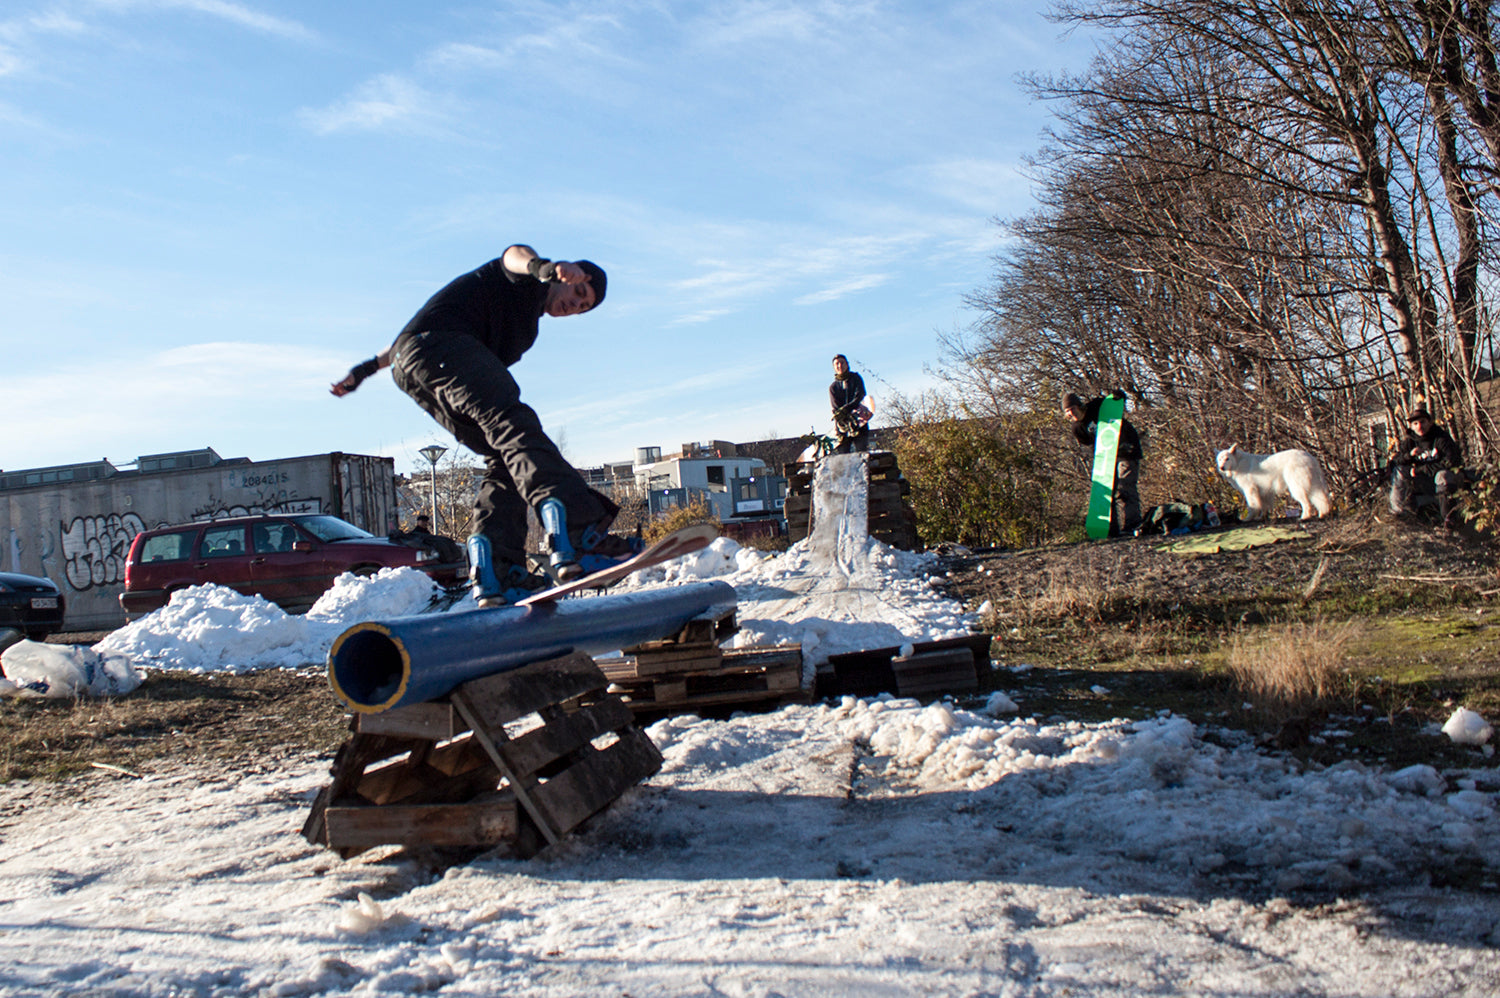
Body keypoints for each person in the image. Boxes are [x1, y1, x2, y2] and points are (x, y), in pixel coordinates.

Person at [331, 244, 639, 606]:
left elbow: (405, 340)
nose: (575, 305)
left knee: (504, 456)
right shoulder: (525, 280)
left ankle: (498, 571)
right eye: (578, 293)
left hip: (413, 366)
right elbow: (513, 253)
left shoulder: (529, 329)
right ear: (566, 278)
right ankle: (581, 530)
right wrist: (546, 267)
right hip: (441, 349)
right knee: (514, 424)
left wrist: (365, 370)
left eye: (582, 308)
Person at [1063, 390, 1143, 536]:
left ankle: (1133, 524)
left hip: (1127, 448)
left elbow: (1118, 401)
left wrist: (1118, 395)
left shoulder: (1096, 406)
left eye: (1072, 409)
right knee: (1107, 490)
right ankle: (1111, 529)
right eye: (1067, 411)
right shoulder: (1077, 428)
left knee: (1126, 487)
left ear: (1079, 406)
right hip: (1108, 455)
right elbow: (1089, 442)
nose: (1071, 413)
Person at [1389, 406, 1465, 527]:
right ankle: (1400, 515)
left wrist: (1420, 470)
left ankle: (1449, 522)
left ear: (1430, 422)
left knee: (1443, 475)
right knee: (1400, 471)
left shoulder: (1441, 438)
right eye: (1415, 423)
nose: (1420, 426)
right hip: (1422, 484)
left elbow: (1452, 462)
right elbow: (1393, 463)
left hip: (1447, 484)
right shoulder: (1410, 442)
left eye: (1423, 422)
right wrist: (1409, 455)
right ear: (1411, 426)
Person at [829, 354, 871, 454]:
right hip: (842, 427)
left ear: (847, 364)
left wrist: (847, 409)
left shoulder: (856, 378)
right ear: (834, 367)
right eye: (837, 364)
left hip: (860, 422)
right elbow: (835, 407)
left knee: (862, 452)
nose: (840, 366)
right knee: (843, 456)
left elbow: (860, 396)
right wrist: (841, 416)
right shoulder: (833, 387)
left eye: (842, 363)